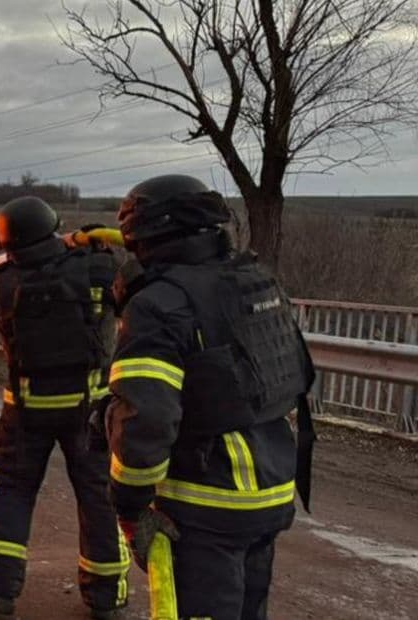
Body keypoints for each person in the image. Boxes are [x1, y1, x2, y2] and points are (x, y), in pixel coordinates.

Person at [105, 175, 315, 619]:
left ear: (145, 235)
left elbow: (147, 419)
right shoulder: (254, 281)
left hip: (206, 504)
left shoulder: (159, 304)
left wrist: (130, 506)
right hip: (272, 490)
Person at [0, 196, 129, 619]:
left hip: (25, 409)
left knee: (11, 493)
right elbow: (131, 282)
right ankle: (106, 599)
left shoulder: (1, 287)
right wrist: (90, 247)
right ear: (53, 227)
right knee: (99, 498)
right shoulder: (98, 268)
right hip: (89, 409)